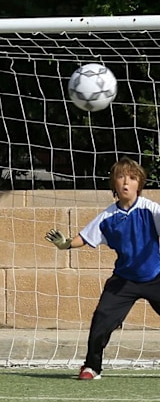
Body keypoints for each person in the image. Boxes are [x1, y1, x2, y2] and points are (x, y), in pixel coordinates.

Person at [46, 156, 160, 380]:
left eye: (132, 178)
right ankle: (91, 367)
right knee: (101, 320)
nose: (126, 182)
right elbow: (84, 237)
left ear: (140, 183)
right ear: (114, 184)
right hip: (123, 281)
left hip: (156, 276)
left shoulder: (151, 210)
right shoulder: (108, 216)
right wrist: (66, 244)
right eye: (121, 177)